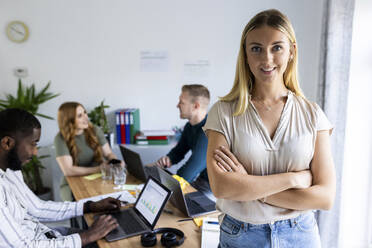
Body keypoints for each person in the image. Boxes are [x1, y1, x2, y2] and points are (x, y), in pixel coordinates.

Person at [203, 9, 336, 247]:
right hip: (241, 235)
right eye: (256, 48)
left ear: (292, 51)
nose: (266, 59)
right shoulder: (223, 113)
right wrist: (295, 178)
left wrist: (251, 187)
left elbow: (325, 197)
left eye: (277, 47)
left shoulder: (313, 115)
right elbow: (222, 186)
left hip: (300, 234)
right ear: (245, 54)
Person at [0, 108, 121, 247]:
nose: (35, 152)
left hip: (48, 236)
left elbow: (38, 208)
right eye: (33, 144)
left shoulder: (11, 171)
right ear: (7, 143)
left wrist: (90, 206)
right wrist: (88, 236)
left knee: (114, 235)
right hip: (39, 243)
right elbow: (23, 246)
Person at [155, 84, 214, 200]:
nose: (177, 105)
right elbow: (179, 151)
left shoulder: (209, 131)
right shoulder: (190, 126)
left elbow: (189, 172)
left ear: (195, 106)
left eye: (181, 102)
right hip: (201, 182)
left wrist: (163, 187)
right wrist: (169, 158)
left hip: (216, 191)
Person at [55, 102, 123, 201]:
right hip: (73, 182)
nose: (86, 118)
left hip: (99, 178)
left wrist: (115, 162)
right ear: (69, 120)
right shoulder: (60, 138)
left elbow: (108, 153)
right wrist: (99, 169)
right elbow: (68, 170)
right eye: (80, 116)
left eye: (85, 113)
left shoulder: (95, 130)